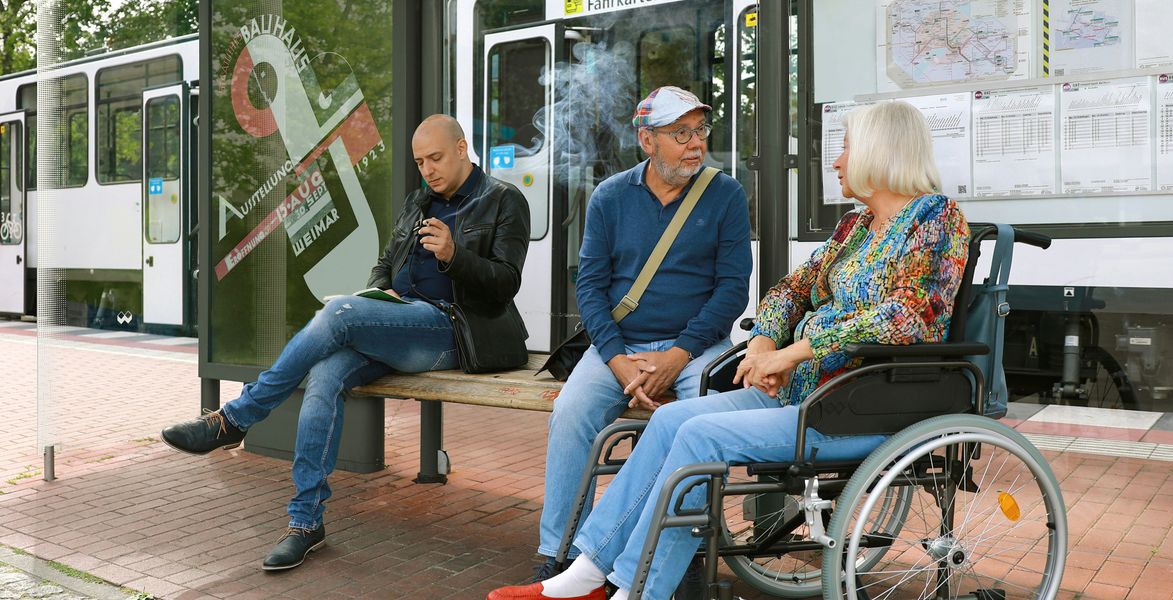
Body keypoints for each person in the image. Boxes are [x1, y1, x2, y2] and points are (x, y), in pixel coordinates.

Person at [489, 100, 968, 600]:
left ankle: (634, 590)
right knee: (672, 421)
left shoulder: (936, 220)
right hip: (801, 394)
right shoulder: (855, 227)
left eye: (845, 147)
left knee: (700, 436)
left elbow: (907, 318)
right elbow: (789, 289)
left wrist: (792, 353)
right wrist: (764, 342)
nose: (837, 160)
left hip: (857, 404)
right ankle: (585, 574)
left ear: (879, 151)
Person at [161, 115, 531, 571]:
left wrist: (455, 256)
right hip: (399, 323)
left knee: (337, 314)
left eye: (435, 158)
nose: (427, 170)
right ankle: (305, 522)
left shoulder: (503, 200)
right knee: (325, 373)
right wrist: (381, 290)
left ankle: (237, 418)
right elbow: (386, 261)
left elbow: (505, 284)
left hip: (453, 331)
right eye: (419, 162)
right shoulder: (420, 201)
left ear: (461, 148)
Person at [530, 86, 752, 580]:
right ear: (647, 140)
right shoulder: (610, 196)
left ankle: (686, 545)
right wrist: (616, 359)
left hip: (697, 347)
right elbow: (588, 287)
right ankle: (562, 552)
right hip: (621, 346)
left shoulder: (726, 194)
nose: (695, 143)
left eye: (700, 130)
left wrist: (679, 353)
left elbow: (733, 289)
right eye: (680, 133)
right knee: (571, 412)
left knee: (703, 416)